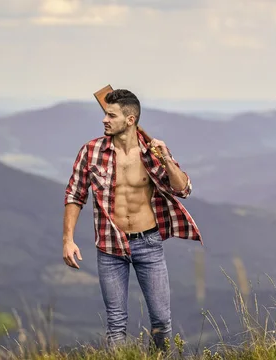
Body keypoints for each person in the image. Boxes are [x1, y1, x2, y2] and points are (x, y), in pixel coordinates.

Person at [61, 89, 203, 351]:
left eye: (111, 115)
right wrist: (68, 239)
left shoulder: (152, 152)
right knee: (116, 323)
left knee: (161, 320)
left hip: (148, 243)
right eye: (105, 113)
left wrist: (168, 160)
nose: (104, 119)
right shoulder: (91, 151)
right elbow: (75, 194)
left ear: (130, 119)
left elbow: (183, 189)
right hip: (110, 246)